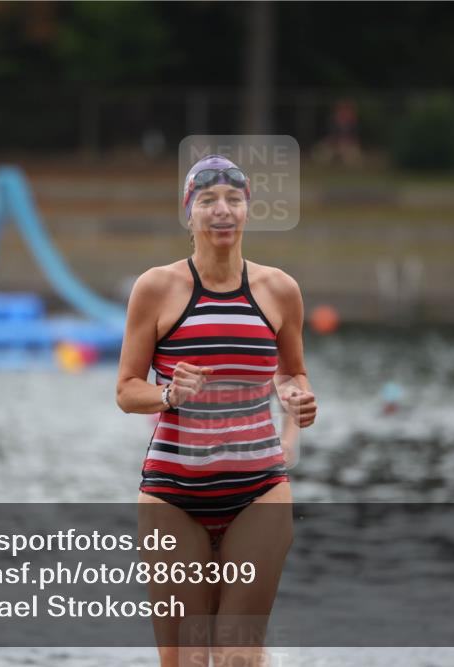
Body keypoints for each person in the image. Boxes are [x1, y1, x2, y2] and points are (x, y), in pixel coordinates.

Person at [116, 154, 317, 666]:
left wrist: (296, 397)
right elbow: (126, 389)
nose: (221, 210)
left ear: (247, 211)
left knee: (235, 657)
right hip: (173, 497)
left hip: (259, 492)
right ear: (190, 214)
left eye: (233, 200)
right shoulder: (156, 288)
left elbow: (293, 372)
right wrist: (167, 395)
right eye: (207, 201)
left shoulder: (279, 290)